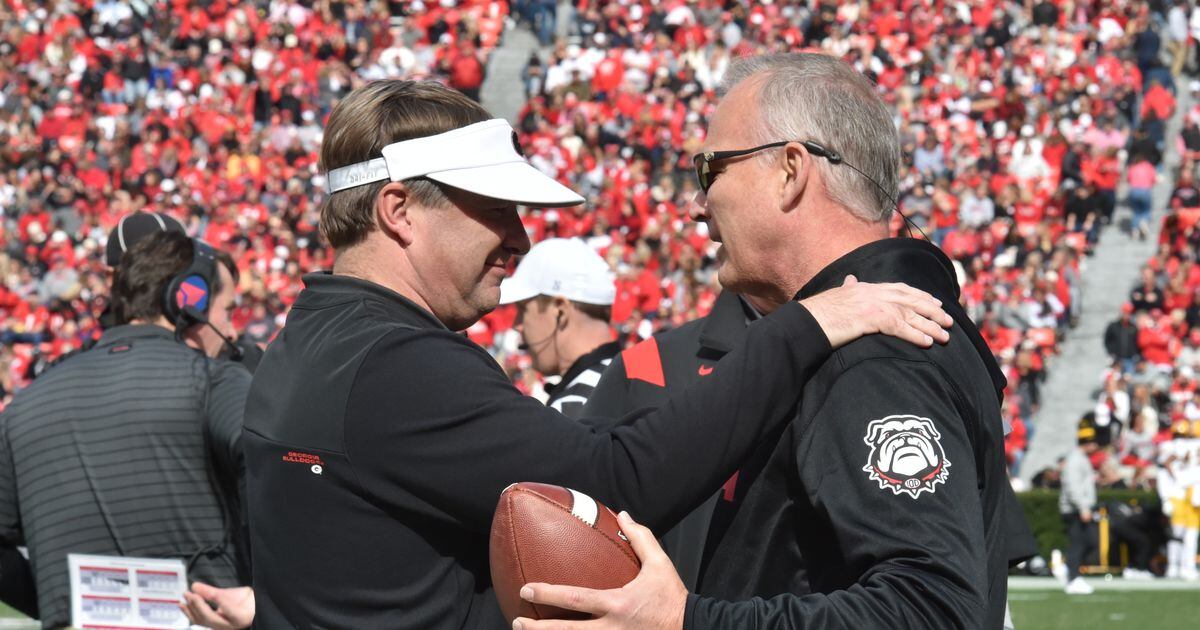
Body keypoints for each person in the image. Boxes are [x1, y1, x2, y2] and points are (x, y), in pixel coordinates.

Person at [232, 79, 953, 629]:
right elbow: (614, 480)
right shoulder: (394, 363)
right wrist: (803, 328)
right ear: (398, 211)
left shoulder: (305, 342)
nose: (518, 239)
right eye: (495, 209)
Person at [517, 52, 1010, 629]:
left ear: (791, 171)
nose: (697, 206)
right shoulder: (850, 331)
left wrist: (687, 621)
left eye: (711, 169)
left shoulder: (874, 350)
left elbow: (931, 612)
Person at [0, 232, 250, 627]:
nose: (232, 331)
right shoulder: (216, 383)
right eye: (228, 310)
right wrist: (262, 596)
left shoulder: (23, 408)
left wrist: (60, 606)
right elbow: (290, 482)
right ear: (189, 302)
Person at [499, 237, 619, 418]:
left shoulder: (575, 408)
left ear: (560, 310)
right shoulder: (627, 380)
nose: (517, 325)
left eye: (523, 309)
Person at [1060, 415, 1100, 595]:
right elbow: (1072, 486)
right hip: (1075, 509)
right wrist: (1083, 507)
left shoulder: (1081, 458)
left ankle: (1073, 573)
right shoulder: (1076, 460)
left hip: (1080, 508)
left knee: (1089, 542)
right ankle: (1072, 577)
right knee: (1079, 544)